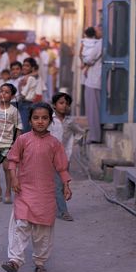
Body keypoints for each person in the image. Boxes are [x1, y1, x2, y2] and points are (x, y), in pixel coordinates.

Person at [1, 102, 72, 272]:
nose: (40, 121)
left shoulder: (55, 144)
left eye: (44, 118)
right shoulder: (23, 139)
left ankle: (40, 262)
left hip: (46, 194)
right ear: (30, 120)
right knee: (21, 225)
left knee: (43, 231)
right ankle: (15, 261)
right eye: (36, 118)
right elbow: (12, 161)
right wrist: (14, 178)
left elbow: (62, 167)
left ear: (50, 121)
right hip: (25, 191)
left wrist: (66, 186)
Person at [48, 92, 85, 221]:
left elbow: (81, 132)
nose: (64, 106)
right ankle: (60, 210)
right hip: (49, 157)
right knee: (53, 184)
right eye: (61, 103)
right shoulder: (50, 120)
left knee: (63, 184)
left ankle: (60, 210)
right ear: (54, 105)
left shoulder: (70, 122)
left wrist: (73, 142)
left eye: (67, 104)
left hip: (64, 157)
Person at [80, 26, 103, 143]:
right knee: (94, 109)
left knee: (93, 110)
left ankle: (95, 136)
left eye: (98, 30)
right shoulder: (99, 43)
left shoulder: (100, 43)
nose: (96, 32)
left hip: (94, 81)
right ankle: (95, 135)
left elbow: (89, 59)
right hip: (94, 79)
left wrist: (83, 58)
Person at [18, 58, 42, 133]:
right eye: (24, 65)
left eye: (27, 66)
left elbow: (23, 94)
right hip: (24, 104)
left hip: (26, 104)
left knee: (24, 128)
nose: (24, 67)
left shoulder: (30, 78)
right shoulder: (25, 77)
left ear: (32, 68)